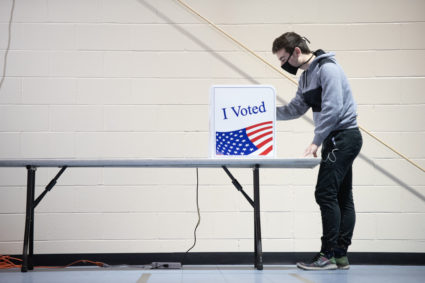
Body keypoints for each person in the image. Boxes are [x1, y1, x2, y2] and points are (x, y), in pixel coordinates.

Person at [272, 32, 363, 270]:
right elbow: (295, 108)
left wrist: (316, 140)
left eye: (283, 59)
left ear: (297, 52)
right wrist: (266, 114)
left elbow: (333, 108)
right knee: (341, 196)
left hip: (345, 137)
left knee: (324, 193)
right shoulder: (305, 78)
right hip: (334, 139)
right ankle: (340, 256)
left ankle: (329, 254)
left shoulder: (328, 69)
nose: (283, 64)